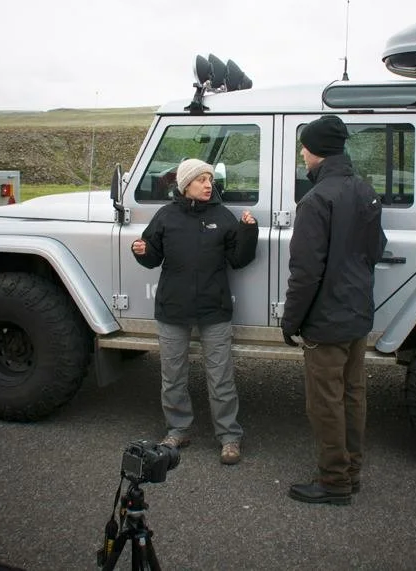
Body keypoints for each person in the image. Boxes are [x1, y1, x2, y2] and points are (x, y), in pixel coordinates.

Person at [281, 115, 386, 506]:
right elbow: (375, 250)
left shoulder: (316, 199)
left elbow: (305, 272)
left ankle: (334, 482)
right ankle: (351, 471)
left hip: (326, 323)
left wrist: (290, 322)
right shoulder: (364, 190)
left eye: (305, 147)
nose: (303, 154)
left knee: (325, 402)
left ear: (318, 151)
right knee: (353, 395)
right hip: (358, 315)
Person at [131, 158, 258, 465]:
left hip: (214, 310)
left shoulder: (222, 216)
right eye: (201, 179)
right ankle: (177, 429)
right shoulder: (165, 216)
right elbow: (152, 256)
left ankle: (229, 437)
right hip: (172, 309)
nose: (207, 184)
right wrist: (142, 251)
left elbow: (239, 259)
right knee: (173, 377)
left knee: (221, 378)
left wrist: (248, 232)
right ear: (185, 184)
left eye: (209, 179)